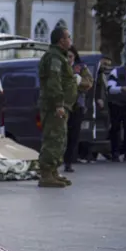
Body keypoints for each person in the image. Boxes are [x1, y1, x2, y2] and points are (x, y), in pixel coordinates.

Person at [37, 27, 78, 187]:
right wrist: (59, 104)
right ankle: (46, 174)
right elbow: (54, 82)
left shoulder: (60, 57)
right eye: (68, 37)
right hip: (55, 106)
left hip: (62, 106)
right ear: (61, 40)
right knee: (53, 138)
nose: (70, 41)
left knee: (60, 138)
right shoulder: (54, 58)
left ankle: (53, 171)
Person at [63, 48, 94, 173]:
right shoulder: (59, 67)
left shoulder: (81, 68)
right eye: (66, 56)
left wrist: (78, 81)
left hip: (77, 105)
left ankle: (69, 161)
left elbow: (89, 83)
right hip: (63, 104)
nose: (68, 59)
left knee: (74, 135)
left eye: (71, 56)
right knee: (61, 134)